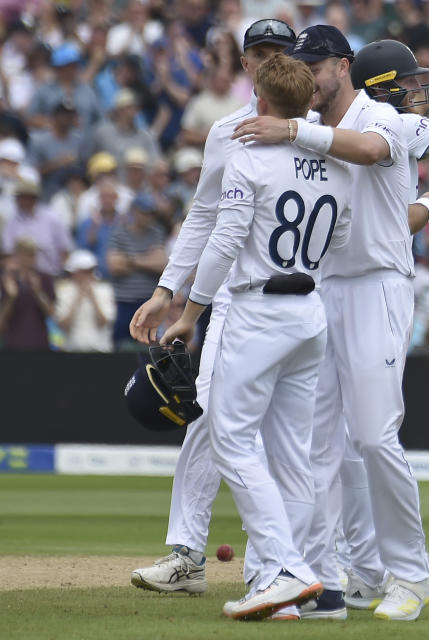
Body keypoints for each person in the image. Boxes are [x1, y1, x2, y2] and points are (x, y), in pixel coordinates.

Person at [232, 26, 429, 620]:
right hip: (321, 292)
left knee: (374, 436)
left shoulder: (377, 117)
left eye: (314, 66)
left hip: (378, 289)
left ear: (342, 67)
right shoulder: (320, 123)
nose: (305, 76)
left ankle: (412, 576)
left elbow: (395, 146)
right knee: (315, 447)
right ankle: (317, 581)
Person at [159, 52, 348, 622]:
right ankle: (277, 587)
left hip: (257, 307)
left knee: (230, 439)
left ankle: (286, 569)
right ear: (307, 102)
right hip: (309, 311)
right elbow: (338, 237)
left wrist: (190, 313)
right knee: (292, 458)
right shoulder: (336, 160)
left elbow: (223, 240)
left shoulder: (248, 158)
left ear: (261, 104)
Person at [127, 18, 298, 601]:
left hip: (306, 300)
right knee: (213, 416)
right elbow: (205, 218)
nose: (265, 60)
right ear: (244, 62)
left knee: (297, 433)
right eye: (258, 52)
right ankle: (189, 554)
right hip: (234, 296)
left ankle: (300, 560)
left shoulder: (321, 130)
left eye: (278, 51)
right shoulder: (225, 129)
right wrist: (166, 291)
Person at [107, 193, 167, 351]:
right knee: (122, 347)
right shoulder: (119, 233)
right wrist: (147, 260)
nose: (149, 217)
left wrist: (130, 260)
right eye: (145, 212)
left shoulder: (156, 232)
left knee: (148, 348)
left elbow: (161, 264)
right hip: (124, 302)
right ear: (134, 211)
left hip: (149, 301)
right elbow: (114, 266)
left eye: (151, 213)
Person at [54, 249, 115, 352]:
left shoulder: (105, 290)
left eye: (89, 271)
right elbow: (63, 325)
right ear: (74, 273)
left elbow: (104, 322)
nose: (88, 275)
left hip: (100, 351)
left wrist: (92, 298)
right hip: (72, 351)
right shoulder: (63, 292)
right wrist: (77, 299)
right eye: (84, 271)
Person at [0, 238, 55, 350]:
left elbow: (51, 313)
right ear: (17, 256)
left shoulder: (45, 278)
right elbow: (3, 320)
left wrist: (38, 292)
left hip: (39, 344)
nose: (29, 259)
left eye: (32, 255)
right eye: (25, 255)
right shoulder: (7, 280)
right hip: (13, 344)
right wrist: (11, 297)